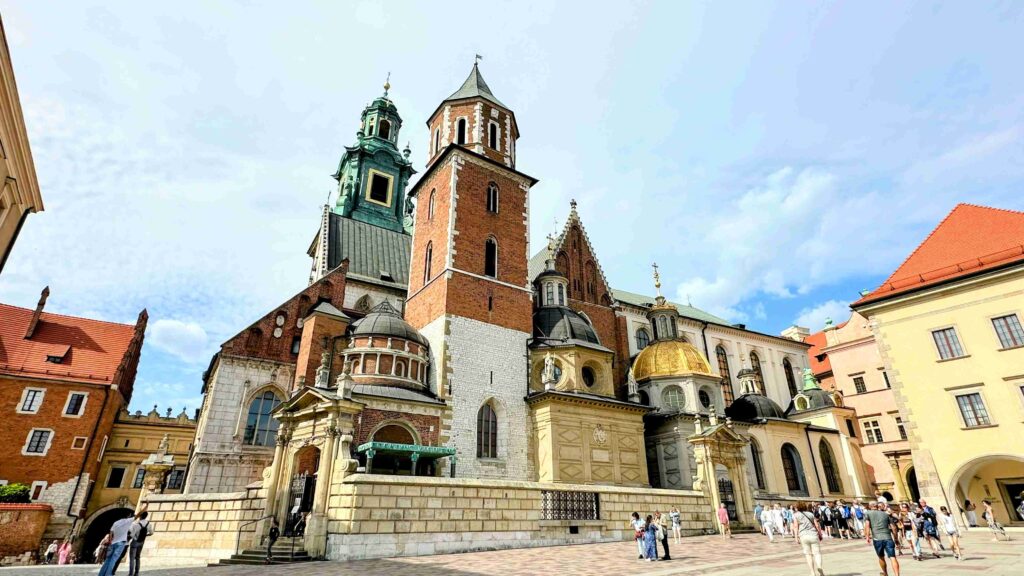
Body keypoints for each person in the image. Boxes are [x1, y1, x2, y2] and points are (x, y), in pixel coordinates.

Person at [864, 501, 901, 576]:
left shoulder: (868, 513)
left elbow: (867, 526)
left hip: (877, 539)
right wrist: (896, 539)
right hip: (888, 538)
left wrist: (867, 536)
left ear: (870, 506)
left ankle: (885, 573)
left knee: (881, 557)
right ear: (877, 506)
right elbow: (893, 528)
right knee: (893, 557)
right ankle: (897, 575)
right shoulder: (886, 514)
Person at [98, 510, 134, 576]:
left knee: (108, 559)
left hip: (113, 543)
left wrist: (111, 541)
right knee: (113, 560)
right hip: (121, 543)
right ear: (128, 515)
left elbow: (111, 532)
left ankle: (101, 574)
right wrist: (146, 505)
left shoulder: (115, 523)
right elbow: (139, 515)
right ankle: (108, 574)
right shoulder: (128, 521)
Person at [794, 502, 824, 576]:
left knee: (808, 554)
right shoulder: (810, 514)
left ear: (797, 507)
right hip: (813, 534)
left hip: (803, 535)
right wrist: (820, 534)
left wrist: (796, 537)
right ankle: (819, 567)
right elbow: (817, 525)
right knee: (817, 553)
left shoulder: (796, 515)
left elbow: (795, 526)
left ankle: (812, 572)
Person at [127, 511, 152, 576]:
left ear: (140, 516)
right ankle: (137, 573)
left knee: (132, 559)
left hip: (135, 542)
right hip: (141, 542)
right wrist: (145, 535)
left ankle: (130, 574)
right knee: (138, 557)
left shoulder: (136, 524)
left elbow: (132, 535)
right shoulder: (148, 524)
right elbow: (151, 533)